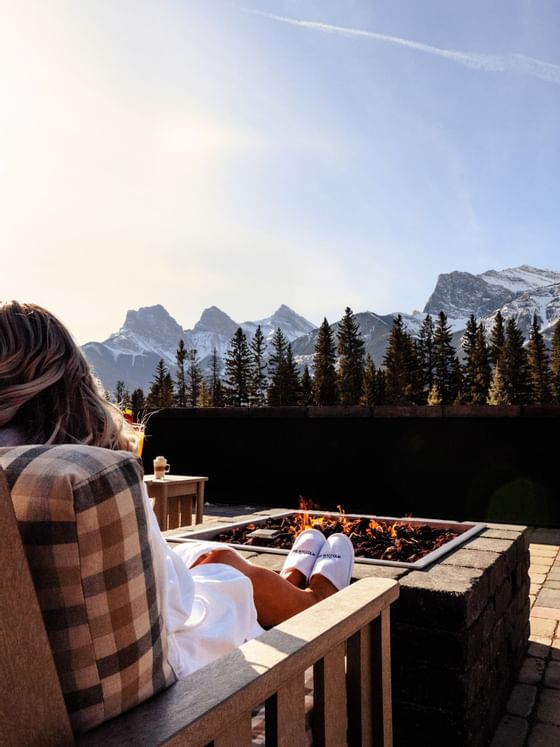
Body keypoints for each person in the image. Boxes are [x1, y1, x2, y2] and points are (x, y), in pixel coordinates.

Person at [0, 300, 354, 678]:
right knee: (228, 572)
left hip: (47, 656)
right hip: (158, 672)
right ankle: (316, 602)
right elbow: (173, 608)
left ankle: (291, 583)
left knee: (206, 556)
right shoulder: (88, 477)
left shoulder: (17, 472)